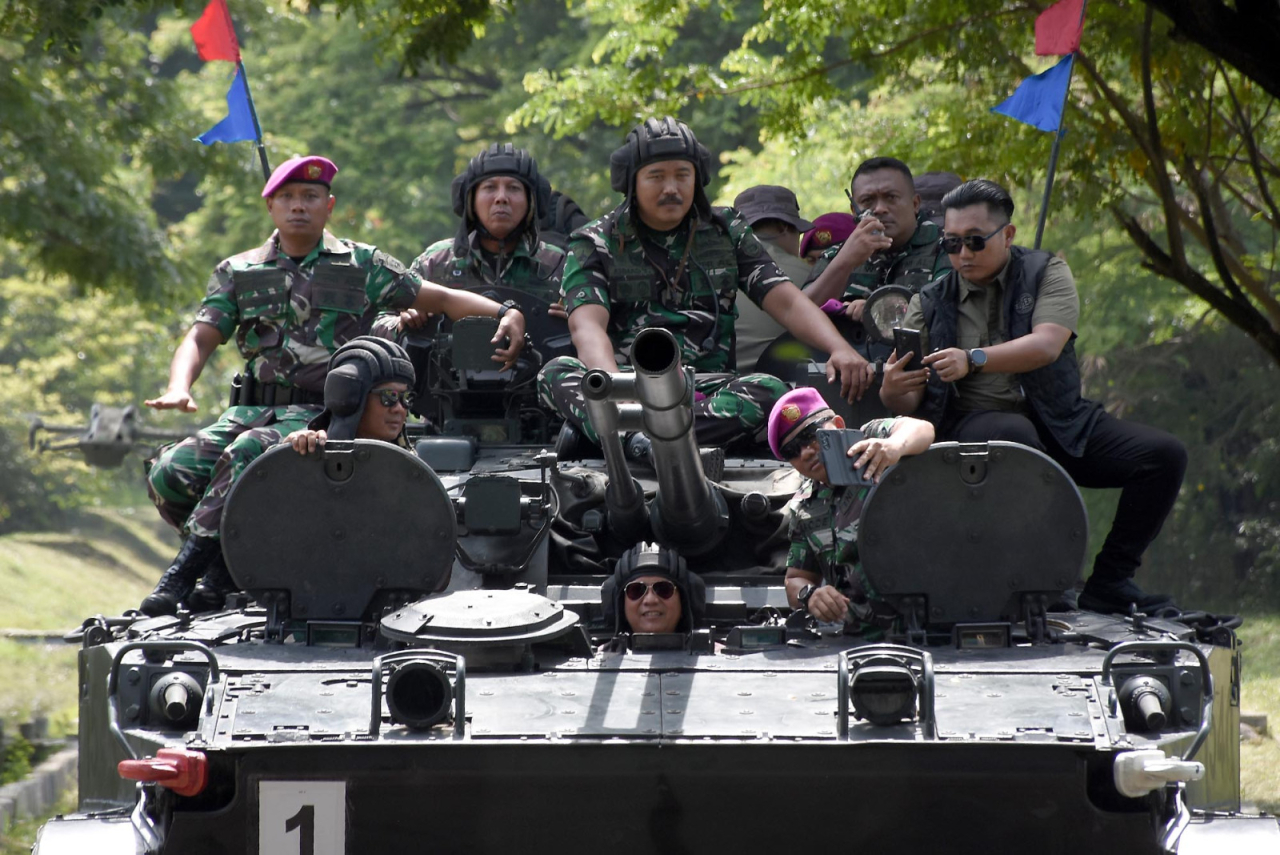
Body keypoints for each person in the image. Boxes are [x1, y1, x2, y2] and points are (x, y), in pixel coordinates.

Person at [141, 155, 528, 617]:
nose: (298, 206)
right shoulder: (238, 271)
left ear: (329, 205)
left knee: (248, 453)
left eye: (310, 197)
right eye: (286, 197)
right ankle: (226, 561)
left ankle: (181, 577)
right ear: (270, 206)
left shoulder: (363, 264)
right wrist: (179, 386)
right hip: (252, 409)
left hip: (328, 412)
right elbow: (201, 335)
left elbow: (440, 298)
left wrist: (505, 312)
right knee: (170, 472)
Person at [879, 178, 1187, 614]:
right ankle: (1041, 579)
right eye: (951, 243)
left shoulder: (1046, 273)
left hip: (1060, 416)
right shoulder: (928, 302)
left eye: (974, 241)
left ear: (1007, 235)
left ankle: (1111, 580)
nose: (962, 254)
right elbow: (910, 405)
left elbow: (1046, 346)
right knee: (1013, 434)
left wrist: (974, 358)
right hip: (975, 422)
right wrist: (893, 391)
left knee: (1163, 456)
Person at [538, 117, 872, 451]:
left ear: (697, 179)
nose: (672, 188)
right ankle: (633, 438)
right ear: (631, 182)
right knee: (555, 373)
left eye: (682, 175)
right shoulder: (595, 241)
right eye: (656, 176)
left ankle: (638, 442)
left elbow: (784, 300)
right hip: (625, 385)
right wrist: (621, 398)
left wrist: (839, 348)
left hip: (705, 391)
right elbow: (588, 329)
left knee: (770, 389)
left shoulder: (726, 230)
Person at [770, 388, 934, 632]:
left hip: (929, 626)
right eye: (792, 451)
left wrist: (893, 447)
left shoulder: (869, 441)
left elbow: (923, 430)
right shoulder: (804, 506)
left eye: (810, 435)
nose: (805, 452)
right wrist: (810, 595)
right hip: (859, 636)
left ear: (838, 424)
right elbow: (795, 579)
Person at [379, 144, 568, 347]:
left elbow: (597, 331)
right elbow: (377, 322)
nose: (501, 198)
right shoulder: (437, 262)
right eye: (489, 187)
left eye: (514, 188)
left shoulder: (557, 266)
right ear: (471, 200)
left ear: (531, 201)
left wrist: (576, 322)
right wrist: (399, 323)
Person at [803, 158, 952, 331]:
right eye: (868, 200)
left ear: (915, 204)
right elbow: (799, 313)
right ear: (854, 211)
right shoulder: (838, 254)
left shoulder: (946, 246)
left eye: (891, 198)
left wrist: (880, 309)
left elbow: (947, 306)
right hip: (848, 355)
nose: (880, 208)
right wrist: (845, 261)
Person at [730, 185, 815, 372]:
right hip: (785, 391)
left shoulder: (716, 270)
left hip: (714, 389)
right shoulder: (809, 274)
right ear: (783, 227)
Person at [286, 336, 417, 455]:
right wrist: (293, 451)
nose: (399, 409)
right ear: (351, 397)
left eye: (405, 397)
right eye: (389, 396)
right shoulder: (312, 453)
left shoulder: (410, 467)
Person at [600, 541, 706, 637]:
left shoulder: (719, 655)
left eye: (664, 589)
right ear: (620, 606)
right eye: (636, 590)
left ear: (683, 602)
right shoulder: (599, 656)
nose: (650, 600)